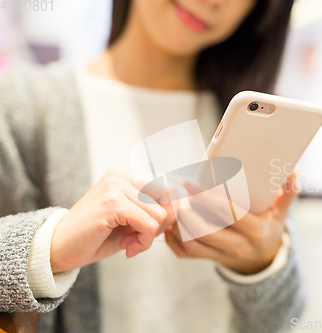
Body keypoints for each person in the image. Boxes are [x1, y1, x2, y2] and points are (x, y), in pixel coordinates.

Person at [0, 0, 304, 332]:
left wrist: (263, 267)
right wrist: (50, 246)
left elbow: (282, 320)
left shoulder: (255, 123)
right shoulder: (22, 103)